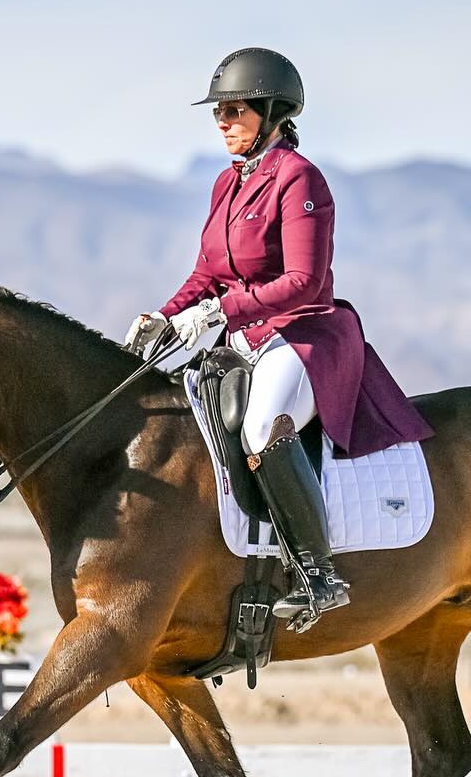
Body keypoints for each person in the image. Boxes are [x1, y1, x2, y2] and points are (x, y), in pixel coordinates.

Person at [126, 47, 434, 628]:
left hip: (307, 334)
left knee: (263, 426)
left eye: (234, 109)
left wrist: (221, 312)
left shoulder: (299, 178)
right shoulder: (227, 182)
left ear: (271, 111)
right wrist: (164, 318)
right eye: (217, 111)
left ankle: (319, 575)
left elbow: (303, 281)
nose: (222, 121)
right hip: (244, 335)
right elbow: (207, 272)